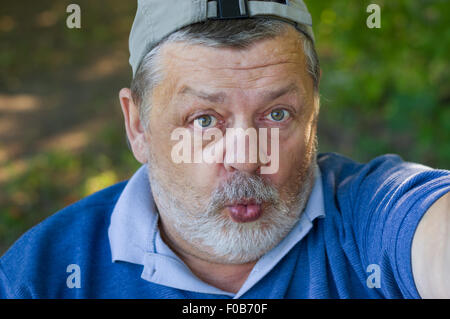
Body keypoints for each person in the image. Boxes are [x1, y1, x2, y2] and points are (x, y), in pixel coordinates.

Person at [0, 0, 449, 299]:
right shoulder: (38, 277)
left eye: (277, 114)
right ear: (137, 125)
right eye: (204, 120)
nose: (247, 157)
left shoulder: (370, 215)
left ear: (313, 111)